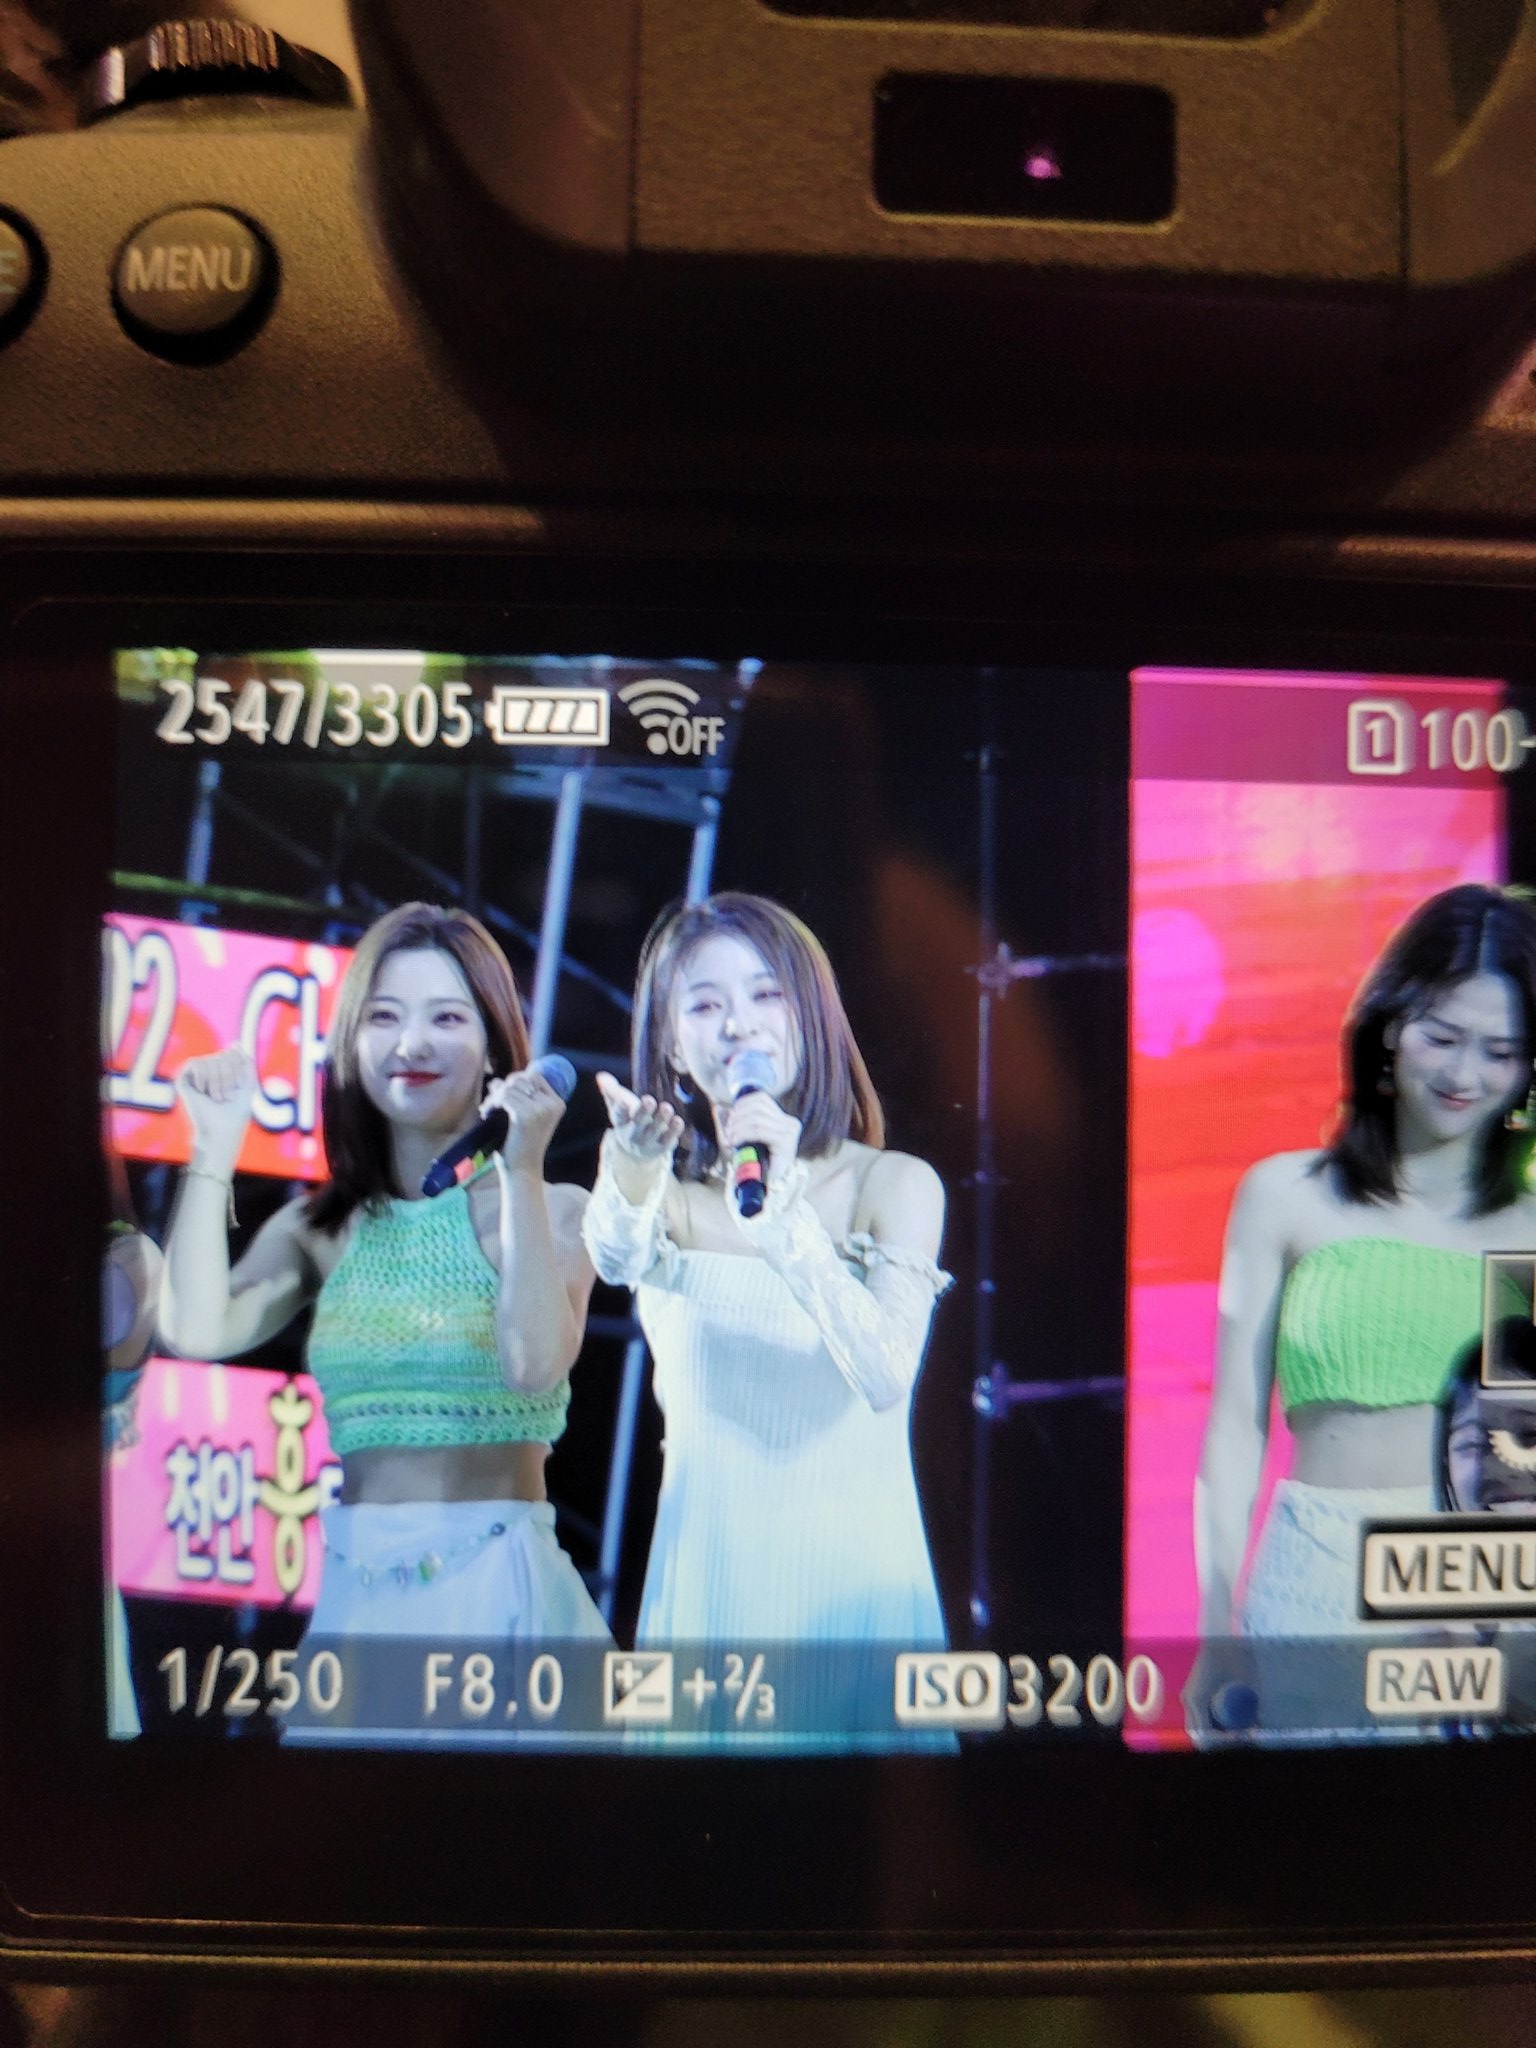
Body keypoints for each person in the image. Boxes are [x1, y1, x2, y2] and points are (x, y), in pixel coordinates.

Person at [159, 902, 609, 1677]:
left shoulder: (556, 1209)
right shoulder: (323, 1226)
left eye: (447, 1017)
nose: (412, 1043)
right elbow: (194, 1328)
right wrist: (214, 1147)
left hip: (502, 1595)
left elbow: (535, 1365)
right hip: (359, 1604)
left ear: (495, 1044)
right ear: (352, 1043)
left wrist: (523, 1167)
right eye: (385, 1016)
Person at [583, 892, 951, 1741]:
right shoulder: (669, 1201)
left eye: (764, 995)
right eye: (705, 1006)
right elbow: (614, 1255)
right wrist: (631, 1168)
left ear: (809, 1016)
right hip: (709, 1598)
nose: (738, 1025)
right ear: (672, 1046)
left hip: (858, 1600)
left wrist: (783, 1217)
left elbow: (885, 1373)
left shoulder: (892, 1185)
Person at [1192, 883, 1536, 1739]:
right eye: (1442, 1037)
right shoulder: (1284, 1196)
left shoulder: (1530, 1229)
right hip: (1310, 1567)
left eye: (1500, 1051)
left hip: (1477, 1588)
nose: (1464, 1075)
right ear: (1389, 1024)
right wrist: (1213, 1620)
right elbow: (1235, 1426)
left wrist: (1504, 1626)